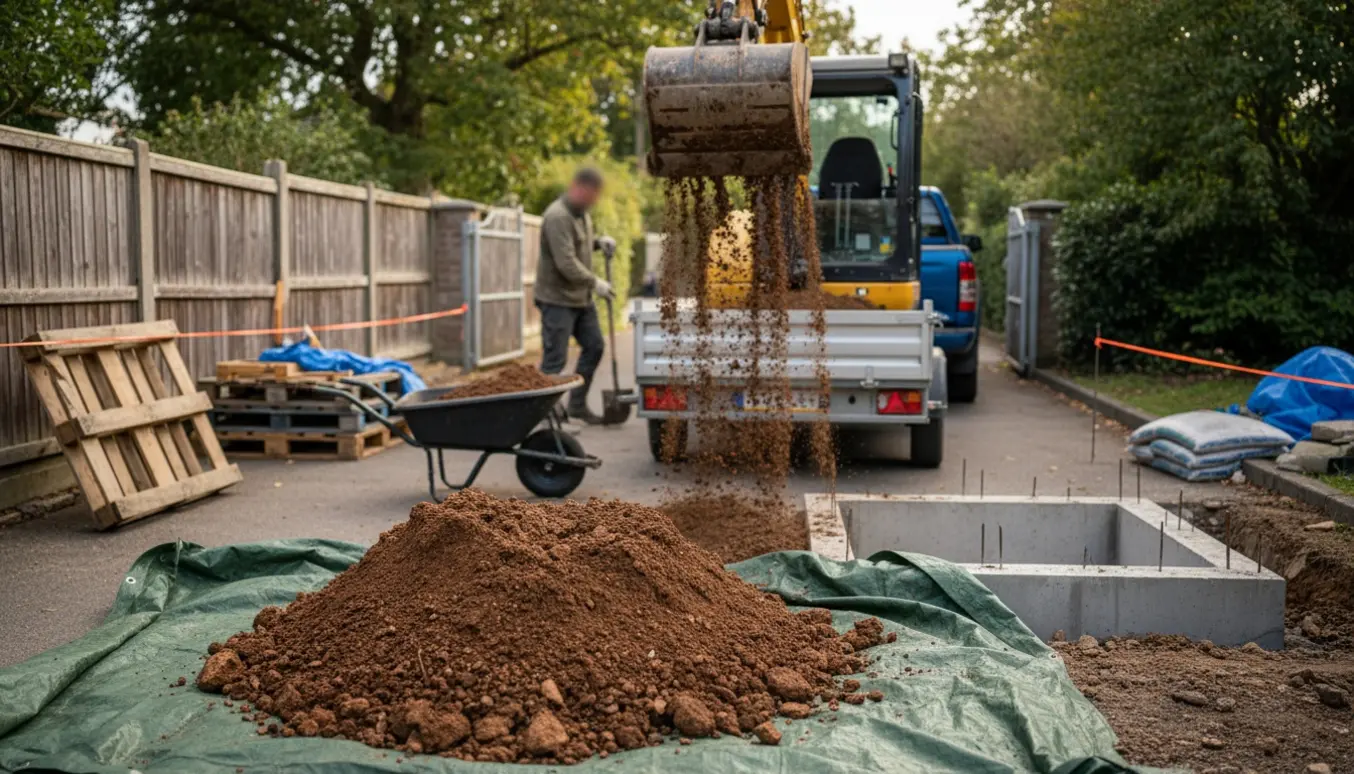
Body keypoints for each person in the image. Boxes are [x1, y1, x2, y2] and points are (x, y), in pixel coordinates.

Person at [535, 167, 617, 424]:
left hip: (579, 299)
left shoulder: (581, 213)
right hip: (556, 299)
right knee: (554, 362)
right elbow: (565, 262)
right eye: (592, 195)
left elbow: (577, 243)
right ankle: (543, 417)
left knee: (594, 346)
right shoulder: (557, 216)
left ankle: (577, 407)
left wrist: (598, 242)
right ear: (579, 188)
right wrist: (595, 283)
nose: (594, 201)